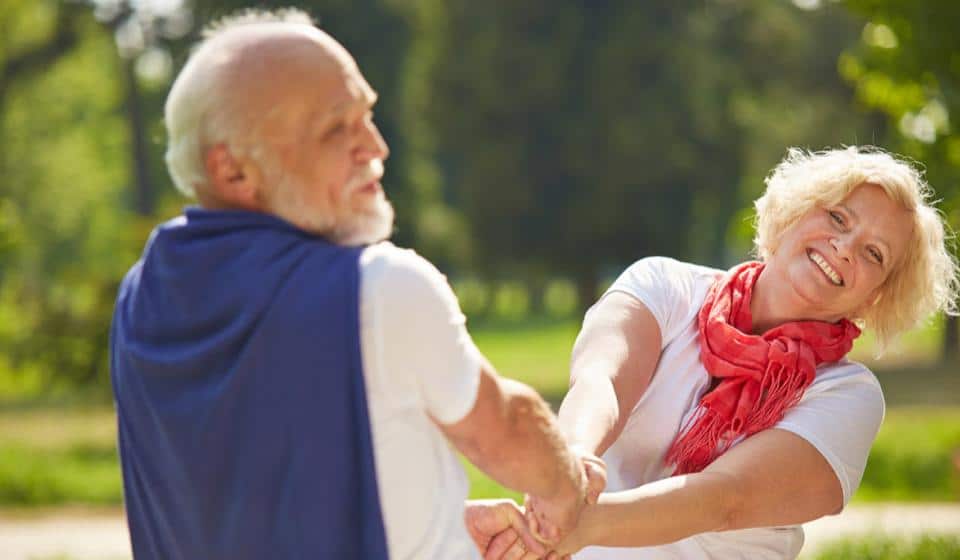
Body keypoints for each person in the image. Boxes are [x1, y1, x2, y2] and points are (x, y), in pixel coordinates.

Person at [109, 9, 601, 560]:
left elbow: (242, 499)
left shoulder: (140, 297)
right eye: (336, 128)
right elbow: (505, 428)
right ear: (232, 171)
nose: (375, 146)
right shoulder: (379, 287)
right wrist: (568, 486)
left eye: (366, 116)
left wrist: (437, 514)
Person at [477, 146, 960, 559]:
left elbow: (725, 499)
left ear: (877, 296)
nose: (846, 247)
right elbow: (600, 381)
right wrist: (570, 467)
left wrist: (570, 526)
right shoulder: (663, 285)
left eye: (874, 254)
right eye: (838, 217)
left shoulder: (849, 396)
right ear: (796, 209)